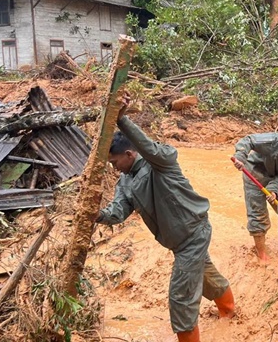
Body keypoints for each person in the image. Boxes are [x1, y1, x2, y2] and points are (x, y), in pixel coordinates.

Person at [96, 95, 235, 342]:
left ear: (129, 154)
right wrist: (96, 215)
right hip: (179, 241)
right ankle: (231, 316)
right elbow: (117, 212)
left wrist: (122, 120)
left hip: (194, 233)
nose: (113, 168)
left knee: (180, 298)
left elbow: (148, 147)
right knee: (206, 277)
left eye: (114, 162)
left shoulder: (160, 162)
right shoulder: (125, 181)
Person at [231, 132, 278, 263]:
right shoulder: (277, 141)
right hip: (254, 173)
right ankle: (261, 252)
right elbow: (249, 140)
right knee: (257, 213)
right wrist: (240, 156)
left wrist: (273, 190)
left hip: (276, 177)